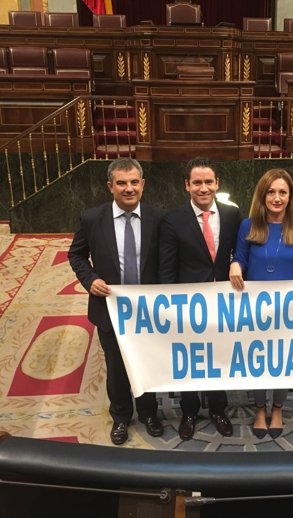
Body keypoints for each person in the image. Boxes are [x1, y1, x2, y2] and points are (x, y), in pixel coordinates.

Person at [228, 169, 293, 439]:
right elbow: (240, 258)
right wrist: (235, 265)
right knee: (259, 360)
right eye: (271, 192)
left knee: (283, 361)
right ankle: (260, 408)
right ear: (262, 195)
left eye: (282, 192)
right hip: (256, 308)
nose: (276, 198)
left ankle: (277, 408)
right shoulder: (248, 225)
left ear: (290, 196)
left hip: (289, 309)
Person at [68, 157, 164, 445]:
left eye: (134, 182)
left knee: (147, 362)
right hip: (110, 308)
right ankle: (121, 417)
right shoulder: (91, 219)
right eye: (121, 183)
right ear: (110, 186)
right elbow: (76, 254)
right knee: (117, 365)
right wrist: (90, 279)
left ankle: (149, 412)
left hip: (148, 309)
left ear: (143, 184)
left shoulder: (159, 219)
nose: (129, 188)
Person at [159, 157, 241, 441]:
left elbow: (238, 253)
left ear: (217, 183)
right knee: (192, 359)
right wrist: (169, 308)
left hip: (223, 304)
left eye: (209, 182)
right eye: (197, 182)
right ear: (187, 186)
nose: (203, 188)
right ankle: (189, 411)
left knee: (217, 356)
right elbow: (167, 267)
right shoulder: (172, 220)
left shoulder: (232, 215)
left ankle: (219, 408)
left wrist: (236, 264)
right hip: (188, 307)